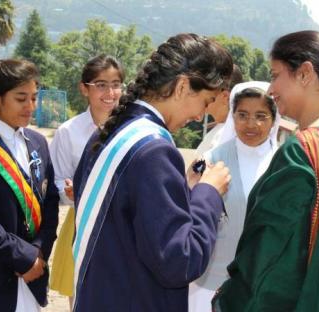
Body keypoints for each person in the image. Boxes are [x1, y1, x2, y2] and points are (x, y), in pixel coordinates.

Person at [72, 33, 233, 312]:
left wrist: (183, 188)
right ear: (182, 87)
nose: (200, 116)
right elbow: (179, 262)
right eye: (206, 102)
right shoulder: (155, 150)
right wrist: (208, 193)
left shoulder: (112, 130)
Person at [213, 30, 319, 312]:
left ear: (305, 73)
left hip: (308, 299)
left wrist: (229, 300)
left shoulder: (303, 149)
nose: (271, 90)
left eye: (275, 75)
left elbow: (268, 255)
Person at [189, 81, 281, 312]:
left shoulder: (283, 164)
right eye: (242, 115)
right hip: (211, 284)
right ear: (232, 116)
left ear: (274, 120)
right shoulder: (211, 160)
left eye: (261, 116)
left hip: (265, 285)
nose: (251, 124)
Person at [0, 59, 59, 311]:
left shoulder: (38, 142)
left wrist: (38, 251)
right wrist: (22, 257)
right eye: (21, 98)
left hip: (33, 275)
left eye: (34, 98)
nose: (30, 107)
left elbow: (51, 202)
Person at [49, 54, 125, 303]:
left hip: (126, 230)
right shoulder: (68, 132)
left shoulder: (134, 128)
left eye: (115, 84)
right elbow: (58, 179)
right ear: (84, 88)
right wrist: (68, 192)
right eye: (101, 85)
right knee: (83, 299)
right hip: (82, 227)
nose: (110, 92)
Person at [195, 64, 243, 156]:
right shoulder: (225, 131)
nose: (200, 95)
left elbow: (199, 169)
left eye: (206, 89)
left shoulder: (225, 136)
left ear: (225, 96)